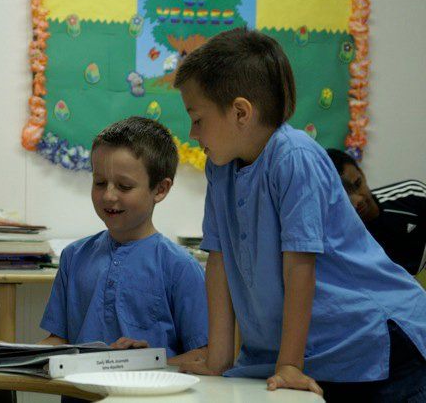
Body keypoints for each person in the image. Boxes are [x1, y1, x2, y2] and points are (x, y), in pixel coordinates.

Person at [174, 27, 426, 402]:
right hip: (314, 355)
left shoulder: (294, 156)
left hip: (376, 343)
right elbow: (219, 260)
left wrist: (289, 364)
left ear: (240, 112)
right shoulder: (220, 168)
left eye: (197, 118)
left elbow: (299, 265)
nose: (192, 132)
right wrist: (219, 356)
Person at [0, 117, 208, 366]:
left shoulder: (181, 267)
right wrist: (2, 351)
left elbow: (203, 355)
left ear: (160, 189)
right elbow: (58, 342)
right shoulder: (74, 257)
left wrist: (148, 361)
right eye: (99, 182)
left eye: (124, 186)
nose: (109, 196)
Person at [326, 148, 426, 275]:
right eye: (344, 197)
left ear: (362, 173)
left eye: (357, 184)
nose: (357, 200)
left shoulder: (413, 195)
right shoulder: (339, 239)